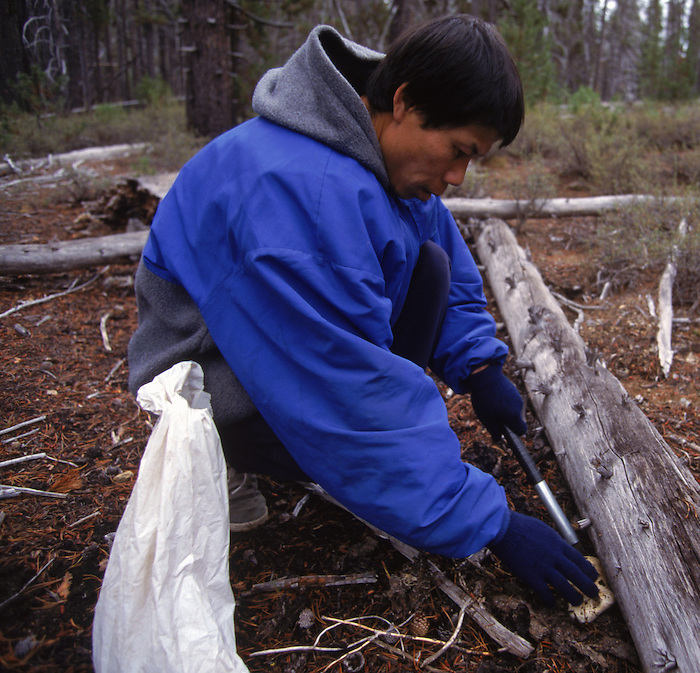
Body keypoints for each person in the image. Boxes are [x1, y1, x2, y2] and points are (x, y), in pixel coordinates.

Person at [127, 15, 599, 607]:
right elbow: (347, 393)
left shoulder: (370, 144)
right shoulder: (302, 194)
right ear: (403, 101)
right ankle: (228, 454)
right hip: (208, 374)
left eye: (471, 159)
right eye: (458, 151)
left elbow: (442, 255)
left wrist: (480, 367)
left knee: (428, 261)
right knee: (347, 431)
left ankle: (389, 476)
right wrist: (491, 524)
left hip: (278, 343)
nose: (456, 177)